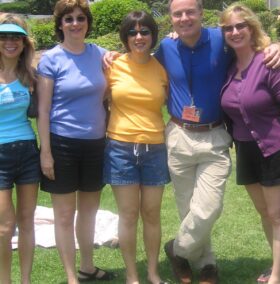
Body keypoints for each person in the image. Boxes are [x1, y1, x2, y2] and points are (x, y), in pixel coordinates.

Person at [154, 1, 280, 284]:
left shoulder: (221, 39)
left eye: (190, 11)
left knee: (209, 207)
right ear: (171, 18)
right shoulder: (166, 47)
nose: (184, 18)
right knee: (188, 208)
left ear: (202, 13)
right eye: (178, 13)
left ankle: (177, 249)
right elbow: (139, 59)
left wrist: (272, 46)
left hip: (214, 136)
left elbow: (250, 43)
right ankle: (207, 264)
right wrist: (107, 56)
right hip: (178, 135)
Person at [219, 4, 280, 284]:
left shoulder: (269, 62)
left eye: (240, 26)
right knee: (264, 213)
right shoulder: (230, 65)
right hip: (246, 151)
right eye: (228, 28)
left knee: (277, 215)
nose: (235, 32)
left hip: (275, 150)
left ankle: (277, 277)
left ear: (252, 28)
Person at [36, 1, 114, 283]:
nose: (75, 23)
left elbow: (132, 56)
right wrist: (46, 152)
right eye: (68, 19)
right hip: (62, 144)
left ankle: (87, 267)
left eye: (81, 18)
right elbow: (43, 110)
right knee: (65, 215)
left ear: (87, 22)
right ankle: (71, 276)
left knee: (89, 213)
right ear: (60, 24)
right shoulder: (51, 59)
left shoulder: (99, 54)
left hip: (95, 144)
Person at [103, 11, 169, 284]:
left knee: (152, 214)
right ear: (125, 37)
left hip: (155, 147)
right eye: (132, 32)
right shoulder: (111, 65)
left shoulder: (162, 66)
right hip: (120, 147)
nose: (139, 37)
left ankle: (153, 273)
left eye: (144, 32)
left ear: (153, 35)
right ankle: (132, 277)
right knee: (128, 215)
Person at [0, 14, 39, 284]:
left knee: (27, 222)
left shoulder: (30, 76)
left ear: (24, 43)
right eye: (3, 37)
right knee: (3, 228)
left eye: (15, 37)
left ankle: (25, 280)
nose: (9, 42)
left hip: (27, 152)